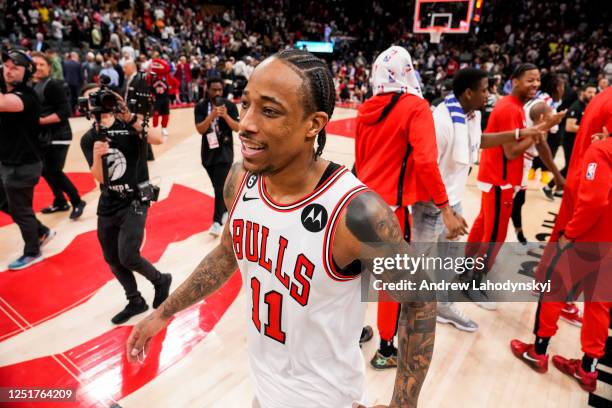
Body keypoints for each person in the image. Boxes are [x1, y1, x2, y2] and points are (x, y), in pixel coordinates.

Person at [127, 49, 437, 408]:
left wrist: (404, 404)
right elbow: (228, 252)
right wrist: (163, 313)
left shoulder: (357, 212)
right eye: (246, 104)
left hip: (327, 399)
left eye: (269, 110)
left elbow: (420, 300)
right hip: (266, 387)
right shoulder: (240, 178)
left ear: (314, 124)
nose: (245, 123)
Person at [354, 46, 467, 369]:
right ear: (407, 71)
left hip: (358, 202)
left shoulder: (365, 108)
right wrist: (445, 207)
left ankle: (351, 333)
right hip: (390, 209)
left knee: (356, 275)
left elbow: (360, 161)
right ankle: (387, 349)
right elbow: (425, 161)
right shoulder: (415, 107)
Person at [425, 68, 547, 332]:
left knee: (444, 260)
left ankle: (442, 304)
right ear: (468, 92)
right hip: (434, 203)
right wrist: (446, 210)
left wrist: (522, 133)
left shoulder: (471, 115)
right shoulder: (442, 121)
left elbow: (480, 140)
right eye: (483, 90)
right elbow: (427, 167)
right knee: (419, 262)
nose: (488, 94)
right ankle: (409, 317)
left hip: (452, 199)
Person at [511, 135, 612, 393]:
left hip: (588, 239)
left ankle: (539, 351)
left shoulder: (601, 151)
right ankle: (588, 369)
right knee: (599, 306)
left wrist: (570, 233)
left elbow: (593, 201)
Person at [465, 63, 564, 307]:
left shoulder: (515, 106)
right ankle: (473, 282)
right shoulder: (510, 108)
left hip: (495, 177)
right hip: (501, 179)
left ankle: (467, 265)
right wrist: (541, 128)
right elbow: (511, 152)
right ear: (515, 81)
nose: (535, 84)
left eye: (538, 80)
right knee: (495, 236)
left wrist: (536, 130)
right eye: (530, 80)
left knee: (483, 225)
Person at [79, 84, 172, 324]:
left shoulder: (130, 125)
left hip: (136, 200)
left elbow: (158, 139)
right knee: (112, 258)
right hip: (109, 202)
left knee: (128, 255)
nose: (98, 103)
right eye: (92, 99)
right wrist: (98, 156)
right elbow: (99, 178)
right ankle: (135, 301)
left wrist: (129, 116)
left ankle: (160, 280)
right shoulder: (89, 138)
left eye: (102, 98)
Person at [0, 49, 54, 270]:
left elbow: (3, 104)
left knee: (21, 210)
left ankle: (33, 251)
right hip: (8, 161)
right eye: (7, 66)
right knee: (4, 202)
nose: (9, 71)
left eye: (16, 68)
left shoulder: (26, 97)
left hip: (24, 165)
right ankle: (41, 231)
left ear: (26, 72)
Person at [31, 52, 86, 219]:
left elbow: (65, 111)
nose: (38, 67)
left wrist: (40, 121)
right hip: (45, 137)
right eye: (35, 64)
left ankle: (77, 201)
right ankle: (60, 201)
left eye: (42, 64)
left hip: (59, 135)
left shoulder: (53, 85)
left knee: (54, 171)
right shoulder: (34, 85)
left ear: (49, 67)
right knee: (45, 171)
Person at [194, 76, 239, 237]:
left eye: (220, 89)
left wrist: (225, 116)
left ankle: (216, 222)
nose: (218, 92)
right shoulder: (200, 106)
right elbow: (200, 129)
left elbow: (238, 127)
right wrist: (211, 116)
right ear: (207, 89)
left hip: (225, 152)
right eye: (214, 89)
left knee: (220, 187)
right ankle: (227, 211)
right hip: (208, 153)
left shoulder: (230, 106)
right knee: (218, 187)